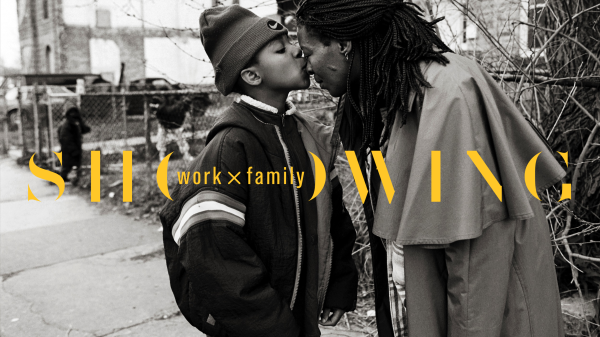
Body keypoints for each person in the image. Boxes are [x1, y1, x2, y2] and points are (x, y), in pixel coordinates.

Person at [296, 0, 567, 336]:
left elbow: (474, 260)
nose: (305, 66)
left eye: (308, 52)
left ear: (343, 44)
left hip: (489, 316)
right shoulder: (383, 93)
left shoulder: (446, 94)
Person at [159, 5, 358, 337]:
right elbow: (216, 257)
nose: (298, 49)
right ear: (252, 76)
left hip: (299, 319)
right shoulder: (230, 149)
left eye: (290, 41)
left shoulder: (306, 136)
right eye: (280, 49)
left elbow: (333, 216)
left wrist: (339, 284)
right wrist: (273, 326)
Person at [150, 94, 194, 162]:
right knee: (161, 139)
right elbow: (157, 113)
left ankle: (186, 155)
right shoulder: (162, 102)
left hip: (175, 124)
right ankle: (162, 156)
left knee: (181, 140)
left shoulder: (178, 102)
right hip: (164, 124)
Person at [58, 108, 90, 186]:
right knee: (67, 164)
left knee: (75, 163)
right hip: (69, 148)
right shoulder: (67, 124)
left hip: (73, 146)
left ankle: (75, 178)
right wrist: (72, 149)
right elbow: (65, 138)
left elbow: (83, 129)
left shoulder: (74, 123)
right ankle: (63, 177)